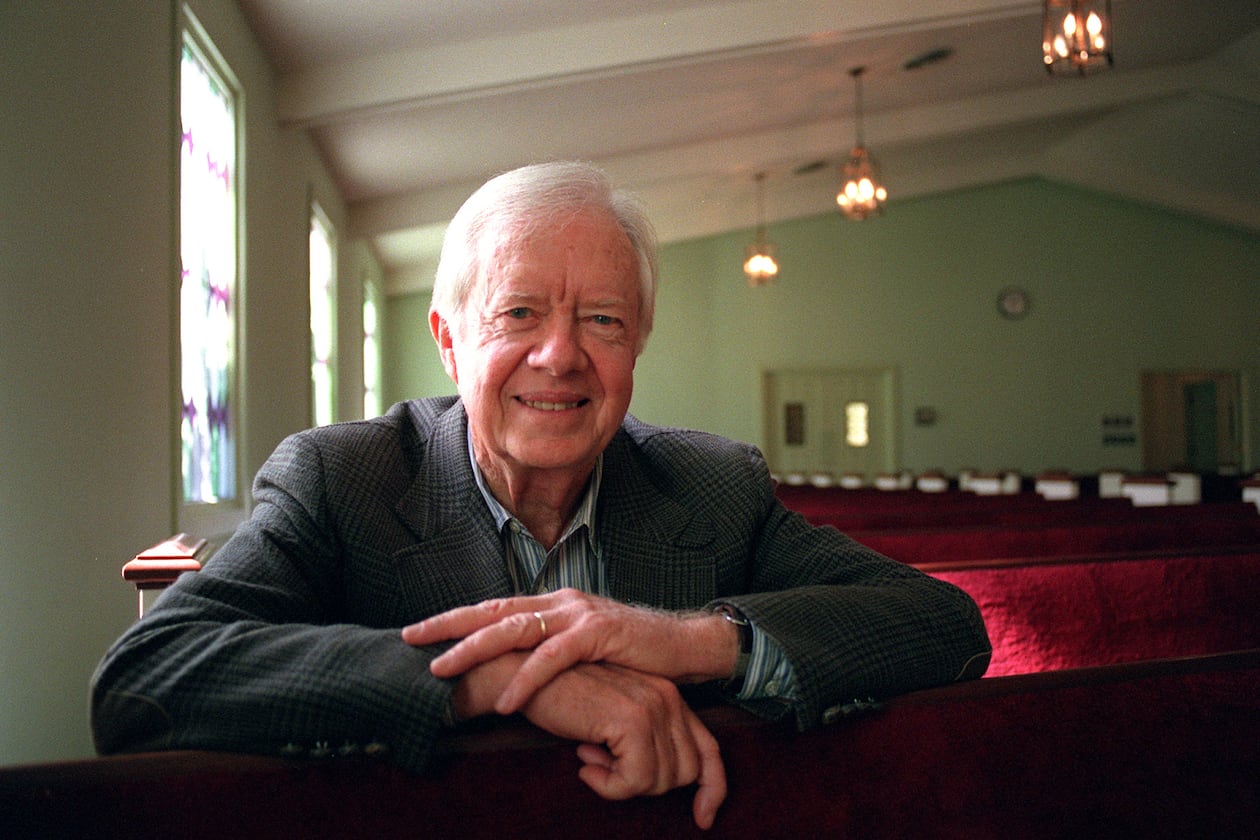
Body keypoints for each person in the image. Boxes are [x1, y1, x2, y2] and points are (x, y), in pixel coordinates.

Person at [92, 161, 990, 830]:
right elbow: (142, 683)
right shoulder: (344, 481)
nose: (560, 355)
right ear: (449, 341)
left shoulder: (714, 487)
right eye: (518, 313)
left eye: (602, 319)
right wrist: (491, 679)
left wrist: (682, 642)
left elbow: (946, 626)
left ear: (636, 345)